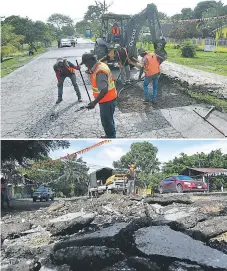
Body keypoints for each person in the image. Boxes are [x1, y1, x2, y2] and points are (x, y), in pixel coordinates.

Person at [80, 53, 117, 138]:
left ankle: (111, 137)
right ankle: (110, 135)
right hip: (109, 99)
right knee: (109, 120)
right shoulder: (101, 64)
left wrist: (94, 102)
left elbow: (104, 89)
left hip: (107, 101)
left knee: (106, 121)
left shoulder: (99, 71)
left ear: (90, 60)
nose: (85, 66)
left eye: (85, 63)